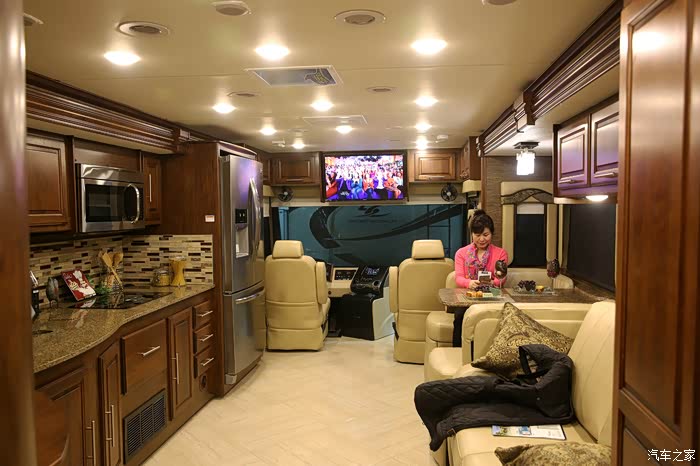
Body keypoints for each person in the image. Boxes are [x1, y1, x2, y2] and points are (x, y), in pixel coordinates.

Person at [454, 210, 508, 289]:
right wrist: (469, 283)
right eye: (477, 235)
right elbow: (458, 278)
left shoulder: (501, 253)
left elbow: (502, 277)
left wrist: (492, 283)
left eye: (485, 235)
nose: (481, 239)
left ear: (492, 233)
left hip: (492, 293)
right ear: (472, 234)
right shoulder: (461, 253)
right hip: (468, 293)